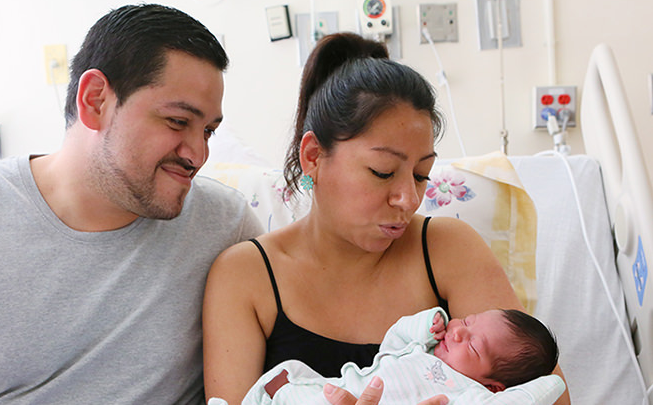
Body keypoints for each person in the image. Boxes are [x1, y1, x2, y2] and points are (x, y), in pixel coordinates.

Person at [0, 4, 270, 404]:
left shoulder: (226, 225)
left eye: (208, 130)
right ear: (95, 100)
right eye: (177, 121)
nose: (198, 154)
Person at [201, 32, 571, 405]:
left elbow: (547, 397)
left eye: (422, 175)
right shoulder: (246, 277)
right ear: (313, 156)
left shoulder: (448, 248)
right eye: (382, 171)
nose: (408, 199)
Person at [211, 307, 563, 405]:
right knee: (284, 377)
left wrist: (548, 384)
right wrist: (424, 324)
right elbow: (391, 344)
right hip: (337, 391)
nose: (456, 331)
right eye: (467, 322)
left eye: (471, 345)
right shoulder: (421, 350)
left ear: (495, 386)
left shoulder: (469, 395)